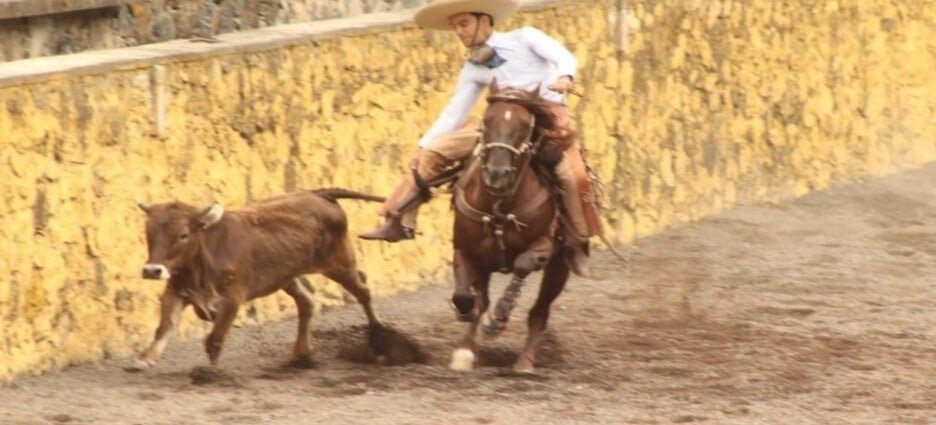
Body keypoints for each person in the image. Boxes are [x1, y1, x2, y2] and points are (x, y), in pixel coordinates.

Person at [358, 0, 602, 276]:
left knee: (572, 175)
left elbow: (564, 57)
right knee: (430, 155)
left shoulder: (526, 37)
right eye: (455, 27)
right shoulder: (475, 67)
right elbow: (455, 111)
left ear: (484, 21)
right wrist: (423, 145)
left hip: (546, 124)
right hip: (498, 128)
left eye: (463, 24)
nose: (459, 32)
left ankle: (577, 242)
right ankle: (400, 220)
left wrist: (565, 77)